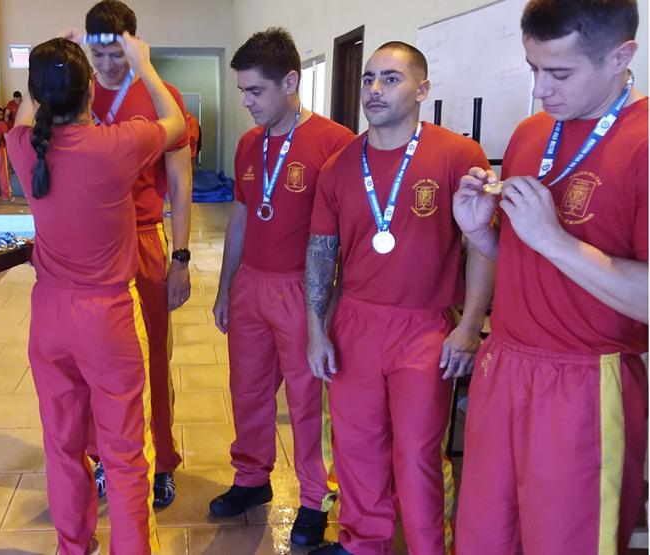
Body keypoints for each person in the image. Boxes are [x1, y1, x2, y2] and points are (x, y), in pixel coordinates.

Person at [453, 1, 647, 553]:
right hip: (504, 365)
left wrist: (555, 239)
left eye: (559, 72)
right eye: (534, 68)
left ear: (621, 56)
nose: (540, 89)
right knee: (484, 539)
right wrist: (480, 234)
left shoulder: (643, 141)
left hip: (584, 384)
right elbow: (526, 261)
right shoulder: (532, 133)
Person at [304, 42, 493, 555]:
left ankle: (429, 546)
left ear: (422, 89)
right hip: (355, 323)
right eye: (369, 78)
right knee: (357, 447)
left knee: (418, 455)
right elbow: (321, 253)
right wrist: (317, 331)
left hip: (424, 327)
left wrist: (469, 326)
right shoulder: (340, 166)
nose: (374, 89)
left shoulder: (458, 155)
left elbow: (483, 246)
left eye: (391, 78)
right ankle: (364, 542)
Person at [6, 32, 184, 555]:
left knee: (63, 446)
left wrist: (46, 67)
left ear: (37, 95)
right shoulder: (116, 145)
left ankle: (73, 547)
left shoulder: (24, 147)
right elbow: (174, 124)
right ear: (90, 87)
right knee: (125, 451)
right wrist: (144, 66)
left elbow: (24, 118)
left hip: (48, 315)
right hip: (105, 318)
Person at [208, 27, 355, 547]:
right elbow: (242, 217)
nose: (246, 102)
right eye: (243, 91)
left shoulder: (335, 143)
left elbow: (348, 235)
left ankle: (315, 497)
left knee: (306, 397)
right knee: (247, 389)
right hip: (252, 284)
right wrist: (226, 287)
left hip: (301, 290)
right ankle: (252, 477)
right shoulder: (249, 143)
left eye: (255, 91)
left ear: (290, 81)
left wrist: (331, 305)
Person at [81, 0, 193, 508]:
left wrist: (181, 257)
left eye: (118, 54)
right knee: (95, 362)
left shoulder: (161, 95)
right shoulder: (75, 92)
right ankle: (105, 455)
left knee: (152, 357)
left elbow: (181, 184)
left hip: (144, 239)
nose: (108, 66)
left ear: (135, 45)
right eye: (98, 55)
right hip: (90, 249)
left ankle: (161, 459)